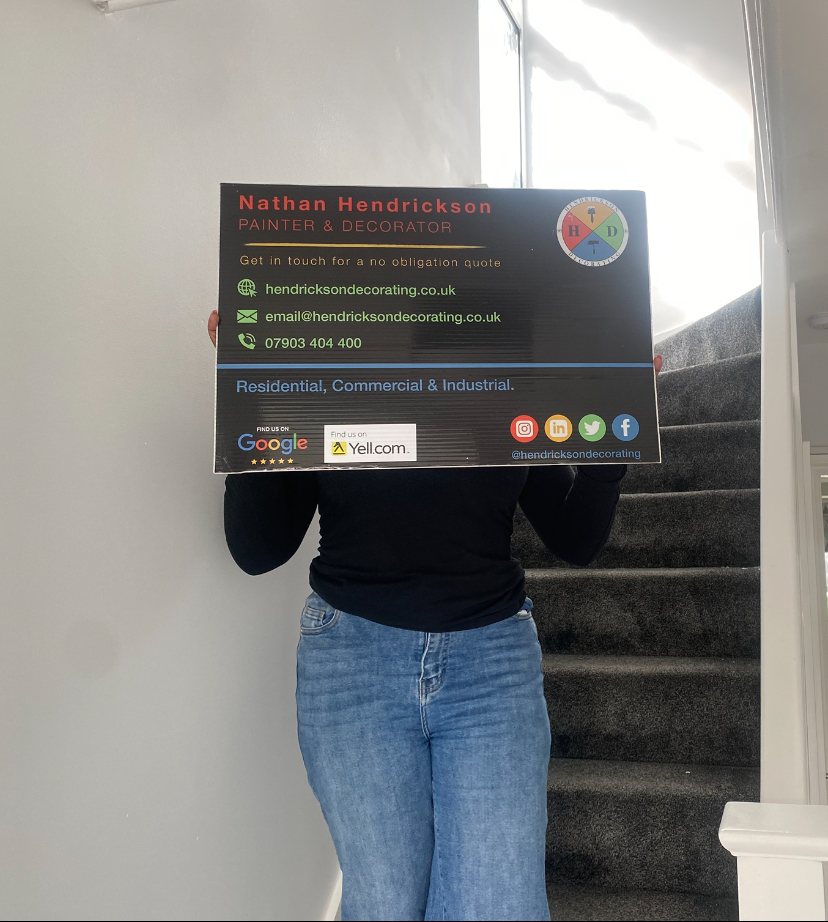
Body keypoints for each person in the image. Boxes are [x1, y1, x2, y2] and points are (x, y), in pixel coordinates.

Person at [209, 311, 662, 922]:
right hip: (352, 664)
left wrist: (615, 437)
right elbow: (258, 549)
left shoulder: (504, 392)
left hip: (491, 665)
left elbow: (575, 539)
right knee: (384, 906)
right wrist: (246, 390)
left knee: (499, 907)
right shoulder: (336, 379)